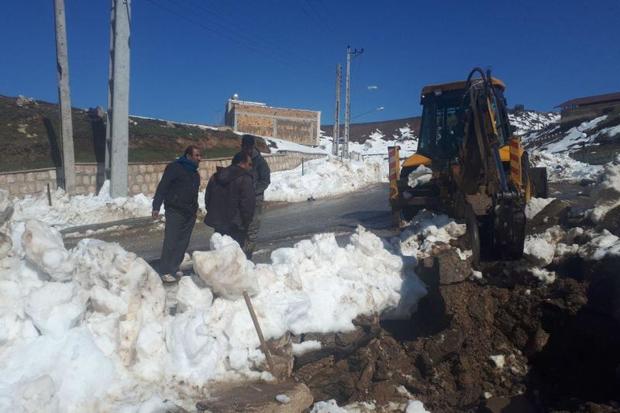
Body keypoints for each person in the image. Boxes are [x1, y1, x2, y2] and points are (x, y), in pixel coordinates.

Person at [152, 145, 201, 282]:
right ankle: (165, 270)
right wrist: (156, 206)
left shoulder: (195, 174)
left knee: (183, 242)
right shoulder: (175, 168)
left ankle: (174, 267)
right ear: (188, 156)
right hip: (175, 210)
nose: (199, 159)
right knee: (171, 240)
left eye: (200, 156)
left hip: (189, 213)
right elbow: (163, 187)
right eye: (197, 155)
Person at [204, 152, 255, 248]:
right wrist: (246, 222)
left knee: (221, 252)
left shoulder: (216, 176)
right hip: (237, 225)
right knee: (235, 256)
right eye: (250, 164)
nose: (251, 167)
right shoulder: (245, 179)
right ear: (242, 163)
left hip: (219, 224)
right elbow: (248, 205)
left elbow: (208, 199)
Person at [240, 134, 270, 258]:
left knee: (252, 230)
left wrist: (252, 191)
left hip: (255, 201)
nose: (246, 149)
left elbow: (265, 181)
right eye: (244, 146)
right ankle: (239, 255)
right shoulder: (239, 158)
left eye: (248, 147)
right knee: (240, 228)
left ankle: (247, 256)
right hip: (240, 200)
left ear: (252, 146)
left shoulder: (260, 162)